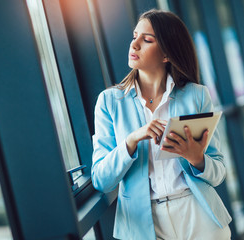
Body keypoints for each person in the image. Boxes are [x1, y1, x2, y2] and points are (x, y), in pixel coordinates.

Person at [92, 9, 232, 240]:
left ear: (167, 54)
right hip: (143, 224)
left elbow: (218, 173)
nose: (134, 45)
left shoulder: (196, 96)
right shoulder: (109, 102)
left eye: (146, 40)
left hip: (199, 216)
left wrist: (196, 158)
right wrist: (131, 141)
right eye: (135, 36)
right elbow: (101, 180)